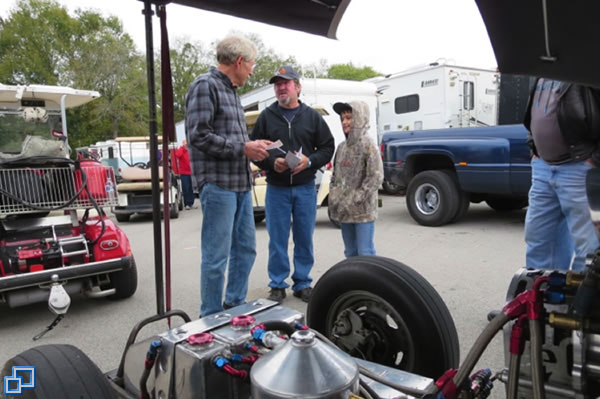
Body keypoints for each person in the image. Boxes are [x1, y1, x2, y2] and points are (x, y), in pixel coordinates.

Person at [185, 35, 272, 317]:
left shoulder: (232, 93)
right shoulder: (204, 86)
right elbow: (198, 135)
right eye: (252, 65)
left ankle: (234, 305)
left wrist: (255, 151)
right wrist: (243, 147)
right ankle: (210, 315)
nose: (252, 70)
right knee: (216, 256)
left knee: (246, 250)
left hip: (240, 185)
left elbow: (234, 143)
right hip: (218, 185)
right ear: (239, 61)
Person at [251, 65, 335, 303]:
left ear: (297, 87)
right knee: (277, 238)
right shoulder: (267, 116)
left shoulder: (312, 117)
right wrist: (271, 162)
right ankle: (277, 284)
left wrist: (309, 162)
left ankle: (302, 282)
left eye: (285, 83)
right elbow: (254, 149)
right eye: (277, 84)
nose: (280, 88)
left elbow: (328, 147)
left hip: (305, 187)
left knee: (304, 237)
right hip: (277, 188)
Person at [523, 78, 600, 270]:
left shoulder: (584, 67)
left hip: (579, 167)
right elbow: (534, 114)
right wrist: (534, 147)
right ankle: (544, 294)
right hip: (542, 166)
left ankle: (584, 298)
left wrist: (595, 159)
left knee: (589, 247)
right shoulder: (540, 72)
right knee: (539, 239)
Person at [328, 101, 383, 257]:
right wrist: (335, 200)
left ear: (359, 119)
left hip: (363, 213)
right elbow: (335, 177)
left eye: (349, 118)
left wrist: (355, 198)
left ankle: (368, 282)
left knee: (365, 252)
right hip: (344, 212)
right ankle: (352, 281)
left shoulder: (368, 145)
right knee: (350, 252)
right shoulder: (341, 147)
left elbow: (376, 176)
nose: (345, 122)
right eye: (342, 119)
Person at [174, 139, 196, 209]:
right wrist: (182, 148)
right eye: (185, 144)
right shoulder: (181, 150)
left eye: (187, 144)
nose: (187, 146)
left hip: (191, 173)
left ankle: (191, 203)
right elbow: (177, 155)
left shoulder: (190, 151)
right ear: (183, 144)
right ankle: (186, 203)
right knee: (185, 188)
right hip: (184, 173)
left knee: (191, 188)